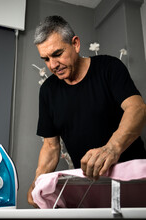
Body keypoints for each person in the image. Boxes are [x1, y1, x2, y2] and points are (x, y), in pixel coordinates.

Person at [27, 15, 146, 207]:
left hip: (134, 179)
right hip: (90, 187)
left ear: (75, 44)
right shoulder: (48, 90)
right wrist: (38, 180)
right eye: (46, 59)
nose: (52, 65)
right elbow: (51, 146)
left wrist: (112, 148)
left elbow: (137, 108)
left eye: (57, 54)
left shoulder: (109, 67)